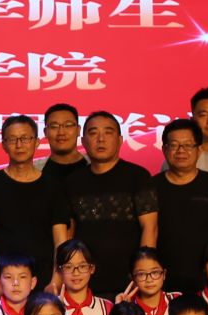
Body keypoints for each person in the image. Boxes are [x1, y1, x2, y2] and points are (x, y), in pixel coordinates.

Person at [0, 115, 73, 300]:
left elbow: (61, 241)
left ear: (36, 142)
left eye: (25, 138)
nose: (19, 145)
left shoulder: (54, 188)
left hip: (43, 282)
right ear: (3, 144)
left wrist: (55, 281)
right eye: (12, 139)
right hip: (3, 282)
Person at [67, 112, 159, 291]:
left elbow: (150, 228)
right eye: (93, 133)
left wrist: (143, 272)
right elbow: (69, 233)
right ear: (83, 141)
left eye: (108, 132)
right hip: (84, 281)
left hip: (129, 280)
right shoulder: (72, 182)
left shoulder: (138, 176)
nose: (100, 139)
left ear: (120, 140)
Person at [150, 118, 208, 297]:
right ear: (164, 149)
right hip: (162, 282)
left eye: (188, 145)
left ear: (199, 150)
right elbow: (148, 231)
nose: (181, 151)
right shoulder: (152, 186)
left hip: (207, 282)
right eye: (174, 145)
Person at [122, 248, 177, 315]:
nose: (149, 279)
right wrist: (120, 310)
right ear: (132, 278)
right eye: (141, 274)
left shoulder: (176, 300)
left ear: (164, 274)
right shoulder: (128, 307)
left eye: (155, 272)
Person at [37, 103, 88, 182]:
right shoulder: (35, 170)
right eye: (54, 126)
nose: (61, 132)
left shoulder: (94, 165)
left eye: (68, 125)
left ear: (78, 130)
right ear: (45, 132)